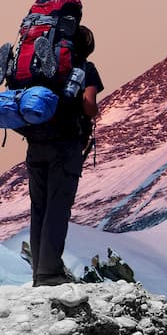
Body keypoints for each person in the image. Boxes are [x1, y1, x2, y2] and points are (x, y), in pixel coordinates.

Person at [24, 24, 104, 286]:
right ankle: (49, 275)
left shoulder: (41, 70)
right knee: (57, 210)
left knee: (39, 209)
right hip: (66, 147)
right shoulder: (85, 69)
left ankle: (39, 272)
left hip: (36, 143)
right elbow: (89, 104)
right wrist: (92, 111)